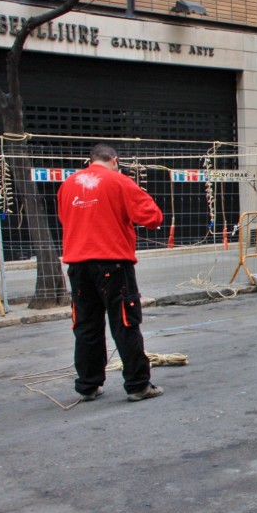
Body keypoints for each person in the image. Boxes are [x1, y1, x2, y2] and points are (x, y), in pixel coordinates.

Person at [57, 144, 165, 402]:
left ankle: (88, 386)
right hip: (113, 264)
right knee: (125, 323)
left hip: (78, 266)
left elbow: (64, 219)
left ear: (91, 160)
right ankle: (138, 385)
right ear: (114, 160)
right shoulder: (120, 182)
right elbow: (153, 217)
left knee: (86, 326)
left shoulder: (67, 185)